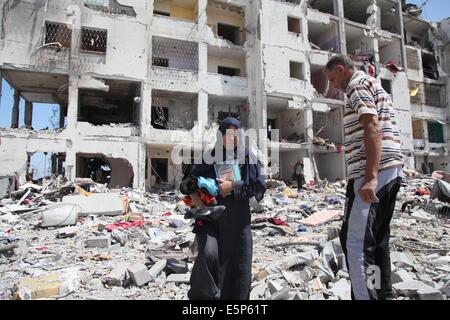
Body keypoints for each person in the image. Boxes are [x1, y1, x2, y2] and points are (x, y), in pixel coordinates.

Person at [324, 55, 404, 300]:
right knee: (378, 241)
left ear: (341, 69)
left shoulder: (356, 85)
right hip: (390, 170)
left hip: (372, 173)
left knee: (356, 244)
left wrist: (370, 177)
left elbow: (372, 126)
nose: (333, 86)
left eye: (332, 79)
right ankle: (383, 294)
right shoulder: (372, 83)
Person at [184, 117, 266, 300]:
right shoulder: (210, 156)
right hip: (212, 220)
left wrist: (234, 187)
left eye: (235, 135)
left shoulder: (247, 157)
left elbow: (258, 186)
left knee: (238, 266)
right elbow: (188, 182)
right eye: (227, 134)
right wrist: (196, 197)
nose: (231, 139)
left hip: (238, 222)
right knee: (208, 254)